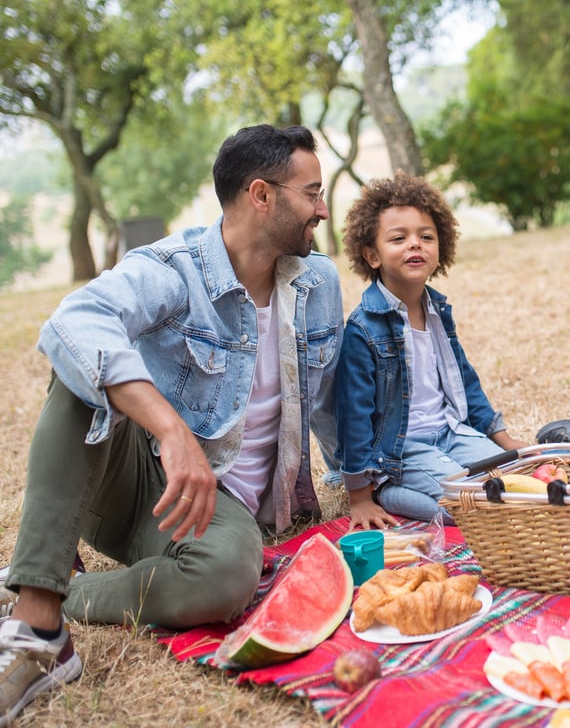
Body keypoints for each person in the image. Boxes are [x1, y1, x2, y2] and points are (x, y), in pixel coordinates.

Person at [0, 124, 344, 722]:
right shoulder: (173, 268)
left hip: (220, 512)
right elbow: (74, 322)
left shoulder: (319, 283)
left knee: (227, 579)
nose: (323, 208)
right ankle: (37, 625)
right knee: (82, 369)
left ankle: (44, 584)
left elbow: (331, 402)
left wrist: (365, 484)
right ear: (261, 195)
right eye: (312, 193)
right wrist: (170, 429)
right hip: (137, 483)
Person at [335, 171, 527, 528]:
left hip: (451, 432)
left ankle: (432, 488)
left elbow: (466, 380)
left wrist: (501, 439)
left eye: (426, 236)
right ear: (372, 255)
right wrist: (358, 495)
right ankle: (386, 491)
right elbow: (354, 414)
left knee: (516, 482)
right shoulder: (363, 328)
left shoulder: (437, 311)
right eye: (398, 238)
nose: (415, 245)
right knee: (473, 503)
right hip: (402, 446)